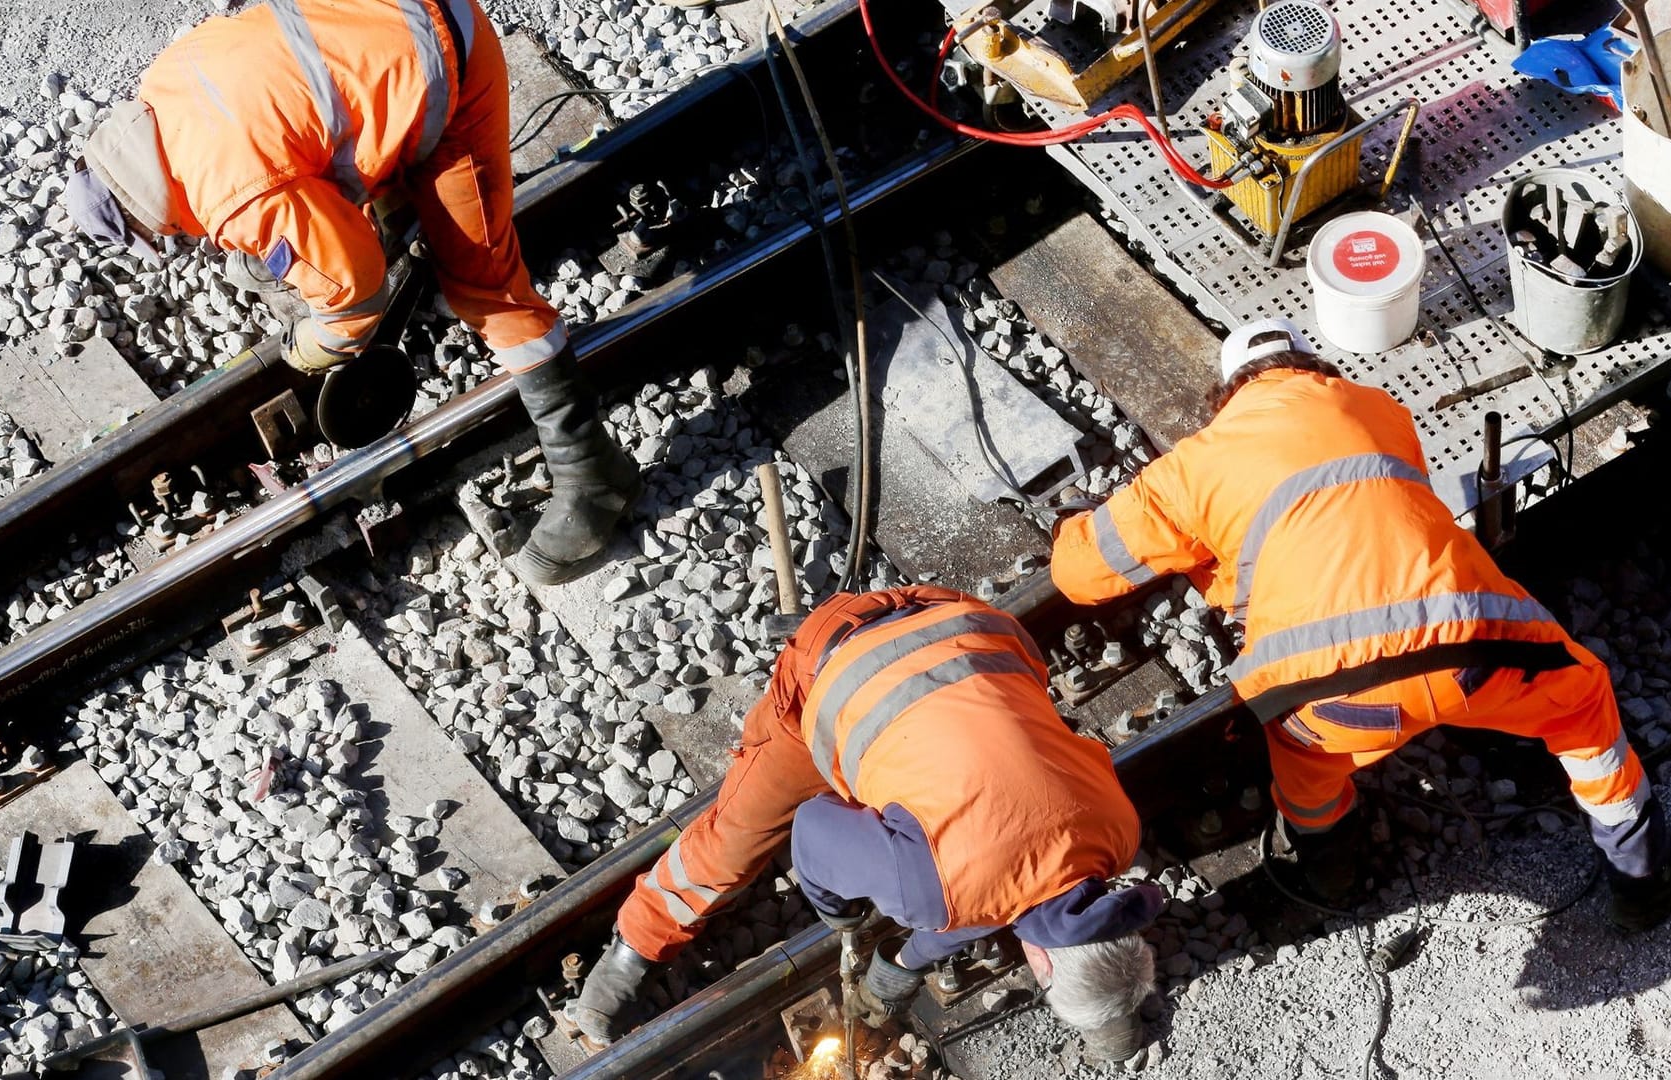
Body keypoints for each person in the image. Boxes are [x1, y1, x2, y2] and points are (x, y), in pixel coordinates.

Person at [1050, 317, 1671, 931]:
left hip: (1328, 695)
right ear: (1315, 369)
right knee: (1582, 704)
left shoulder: (1194, 464)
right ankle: (1643, 878)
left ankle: (1333, 872)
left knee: (1306, 767)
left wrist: (1096, 529)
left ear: (1225, 397)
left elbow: (1079, 576)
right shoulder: (1378, 409)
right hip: (1472, 649)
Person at [60, 0, 636, 584]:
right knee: (329, 167)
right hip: (386, 22)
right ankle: (405, 210)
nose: (176, 236)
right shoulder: (166, 82)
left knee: (485, 288)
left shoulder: (230, 193)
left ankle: (592, 471)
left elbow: (356, 295)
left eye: (158, 235)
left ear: (142, 215)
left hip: (450, 68)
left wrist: (317, 346)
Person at [570, 586, 1163, 1061]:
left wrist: (906, 961)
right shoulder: (931, 893)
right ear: (1045, 963)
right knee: (738, 834)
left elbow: (999, 888)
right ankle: (638, 940)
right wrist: (838, 910)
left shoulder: (1119, 831)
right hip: (836, 660)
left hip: (969, 626)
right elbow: (811, 830)